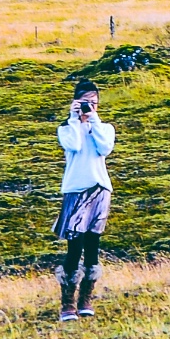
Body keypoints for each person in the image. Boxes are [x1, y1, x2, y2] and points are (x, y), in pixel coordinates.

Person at [53, 78, 115, 320]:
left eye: (94, 103)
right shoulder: (67, 129)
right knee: (74, 247)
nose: (90, 107)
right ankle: (67, 302)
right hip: (76, 190)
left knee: (92, 247)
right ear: (75, 102)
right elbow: (75, 145)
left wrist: (94, 121)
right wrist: (75, 119)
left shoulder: (105, 128)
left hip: (100, 189)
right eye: (85, 102)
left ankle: (86, 299)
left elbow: (105, 148)